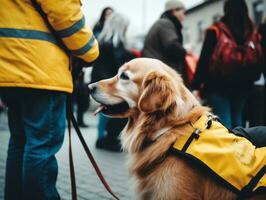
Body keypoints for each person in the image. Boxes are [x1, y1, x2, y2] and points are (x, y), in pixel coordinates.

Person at [0, 1, 99, 200]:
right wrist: (91, 51)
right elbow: (64, 13)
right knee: (40, 146)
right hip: (39, 71)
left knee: (20, 143)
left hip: (10, 70)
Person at [192, 0, 263, 129]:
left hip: (217, 85)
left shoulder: (216, 30)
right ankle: (240, 147)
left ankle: (228, 147)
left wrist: (196, 85)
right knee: (238, 120)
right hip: (243, 84)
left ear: (226, 9)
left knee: (224, 121)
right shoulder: (252, 31)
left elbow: (204, 59)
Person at [91, 12, 134, 152]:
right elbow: (121, 64)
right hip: (112, 87)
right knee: (116, 116)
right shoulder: (116, 46)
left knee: (106, 115)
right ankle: (110, 141)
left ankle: (103, 139)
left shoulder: (101, 43)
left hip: (102, 84)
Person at [142, 0, 188, 83]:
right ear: (174, 11)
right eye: (184, 12)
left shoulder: (163, 23)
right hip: (161, 73)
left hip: (157, 71)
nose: (185, 16)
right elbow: (172, 46)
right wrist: (185, 51)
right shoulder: (166, 24)